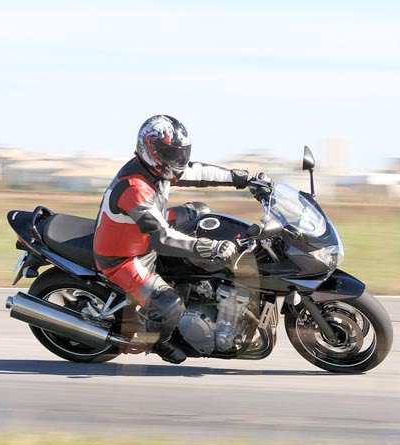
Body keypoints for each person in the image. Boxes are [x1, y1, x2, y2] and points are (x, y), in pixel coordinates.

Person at [93, 115, 269, 364]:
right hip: (125, 257)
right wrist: (209, 247)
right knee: (169, 303)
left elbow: (197, 172)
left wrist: (243, 178)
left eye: (180, 153)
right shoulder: (135, 188)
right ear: (151, 150)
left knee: (200, 210)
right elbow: (162, 238)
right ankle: (160, 342)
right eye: (170, 153)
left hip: (143, 232)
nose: (177, 160)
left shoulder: (159, 167)